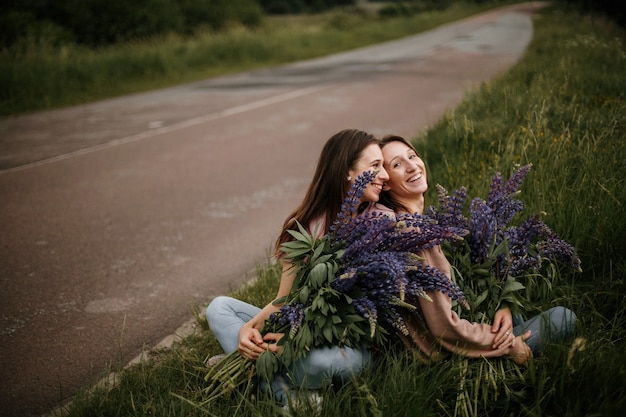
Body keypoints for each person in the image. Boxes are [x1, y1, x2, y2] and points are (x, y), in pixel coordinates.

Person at [205, 129, 390, 406]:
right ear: (346, 172)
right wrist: (249, 330)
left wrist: (295, 343)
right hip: (297, 326)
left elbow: (362, 319)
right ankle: (288, 393)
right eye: (375, 166)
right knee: (218, 308)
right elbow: (285, 300)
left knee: (330, 362)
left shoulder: (381, 222)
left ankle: (248, 370)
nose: (384, 175)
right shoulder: (304, 226)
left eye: (384, 166)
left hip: (343, 344)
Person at [377, 134, 577, 364]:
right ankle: (515, 362)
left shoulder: (417, 224)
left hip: (461, 332)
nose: (412, 166)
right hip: (450, 355)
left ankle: (515, 340)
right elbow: (444, 327)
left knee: (513, 315)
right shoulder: (416, 237)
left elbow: (465, 283)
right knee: (564, 317)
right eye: (398, 164)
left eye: (412, 156)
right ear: (385, 181)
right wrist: (510, 345)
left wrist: (502, 304)